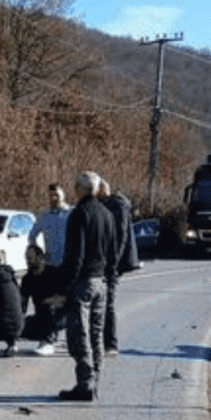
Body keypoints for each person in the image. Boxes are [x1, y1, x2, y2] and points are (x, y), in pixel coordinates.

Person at [55, 171, 118, 401]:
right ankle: (95, 381)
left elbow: (75, 256)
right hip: (101, 281)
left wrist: (64, 287)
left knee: (78, 335)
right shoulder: (107, 214)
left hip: (83, 281)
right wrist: (110, 281)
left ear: (79, 189)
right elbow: (114, 254)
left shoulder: (79, 214)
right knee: (96, 334)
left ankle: (85, 384)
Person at [96, 177, 138, 355]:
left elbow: (120, 237)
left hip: (113, 262)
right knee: (102, 302)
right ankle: (101, 341)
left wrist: (113, 264)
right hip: (105, 260)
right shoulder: (105, 204)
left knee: (108, 304)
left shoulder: (118, 206)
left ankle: (111, 343)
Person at [18, 243, 64, 355]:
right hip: (40, 318)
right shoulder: (27, 279)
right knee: (18, 325)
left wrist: (49, 300)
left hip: (60, 316)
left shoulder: (53, 273)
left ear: (40, 257)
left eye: (30, 257)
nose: (27, 261)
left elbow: (64, 299)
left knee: (50, 308)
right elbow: (22, 305)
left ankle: (48, 342)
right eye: (26, 258)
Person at [33, 183, 72, 266]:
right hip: (50, 264)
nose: (53, 198)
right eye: (51, 196)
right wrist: (38, 255)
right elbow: (32, 237)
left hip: (68, 264)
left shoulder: (71, 214)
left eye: (56, 195)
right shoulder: (43, 215)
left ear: (63, 195)